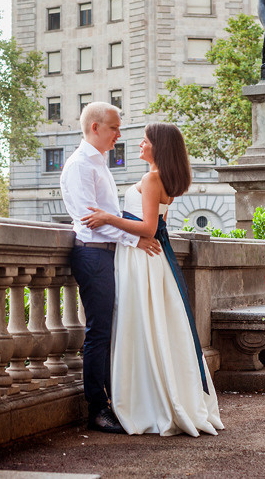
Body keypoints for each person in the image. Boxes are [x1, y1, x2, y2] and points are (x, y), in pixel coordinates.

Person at [82, 123, 223, 436]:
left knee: (140, 325)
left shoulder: (151, 178)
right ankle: (159, 397)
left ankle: (146, 401)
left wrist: (106, 217)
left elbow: (147, 228)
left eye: (144, 141)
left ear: (158, 147)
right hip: (151, 258)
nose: (140, 146)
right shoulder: (164, 179)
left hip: (142, 259)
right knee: (155, 326)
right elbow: (157, 226)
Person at [60, 102, 161, 434]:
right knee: (99, 332)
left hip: (108, 254)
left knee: (111, 330)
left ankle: (115, 401)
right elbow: (91, 222)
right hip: (91, 254)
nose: (120, 134)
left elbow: (107, 217)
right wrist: (136, 240)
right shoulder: (79, 166)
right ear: (95, 128)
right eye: (115, 128)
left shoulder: (98, 163)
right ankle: (97, 410)